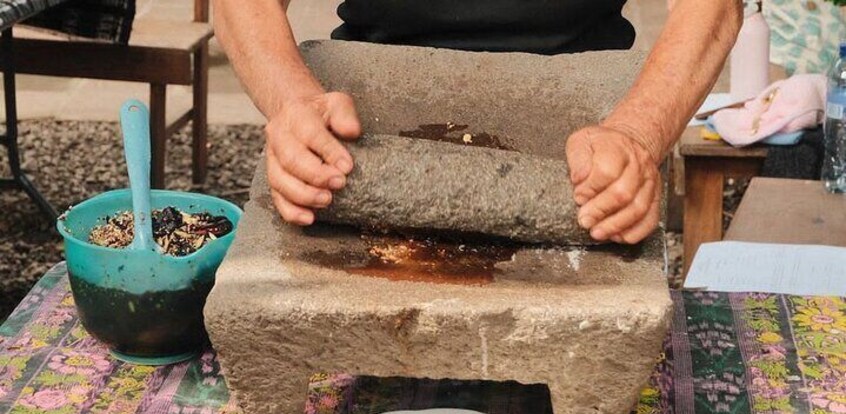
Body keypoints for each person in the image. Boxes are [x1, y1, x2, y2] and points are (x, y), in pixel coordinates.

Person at [213, 0, 742, 244]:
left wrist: (637, 132)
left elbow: (711, 7)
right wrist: (293, 103)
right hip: (369, 125)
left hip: (583, 121)